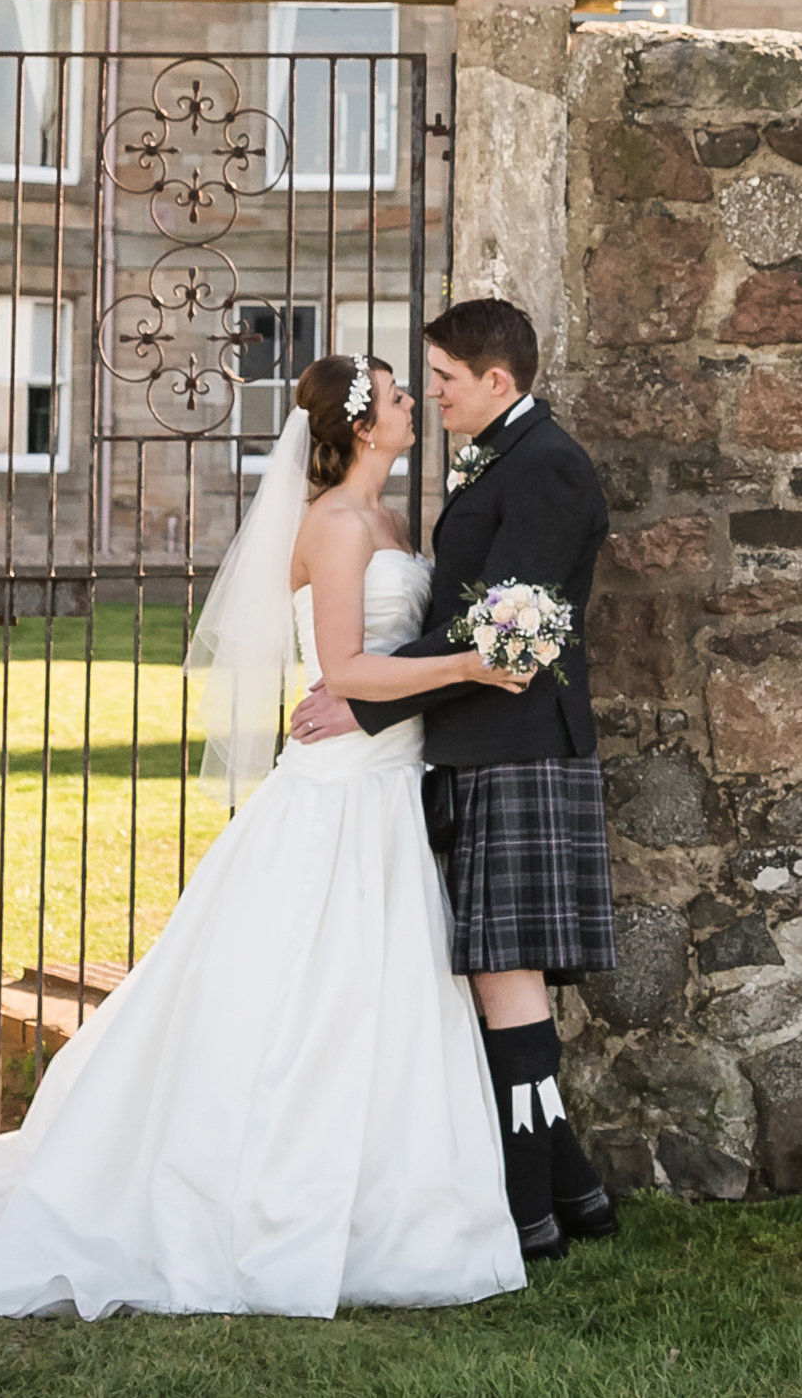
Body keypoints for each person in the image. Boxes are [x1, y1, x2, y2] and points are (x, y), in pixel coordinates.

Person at [0, 350, 533, 1318]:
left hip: (385, 779)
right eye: (395, 396)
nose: (413, 404)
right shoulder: (338, 524)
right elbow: (343, 669)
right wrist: (477, 664)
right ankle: (252, 1193)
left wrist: (448, 665)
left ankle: (393, 1204)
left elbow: (380, 662)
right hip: (344, 792)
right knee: (315, 987)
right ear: (359, 424)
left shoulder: (385, 518)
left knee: (378, 986)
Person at [294, 295, 617, 1261]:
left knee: (503, 976)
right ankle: (575, 1199)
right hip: (477, 743)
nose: (430, 394)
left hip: (513, 742)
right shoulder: (507, 460)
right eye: (419, 383)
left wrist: (366, 702)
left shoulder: (548, 468)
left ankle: (527, 1217)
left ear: (497, 382)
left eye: (440, 379)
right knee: (492, 974)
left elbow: (503, 627)